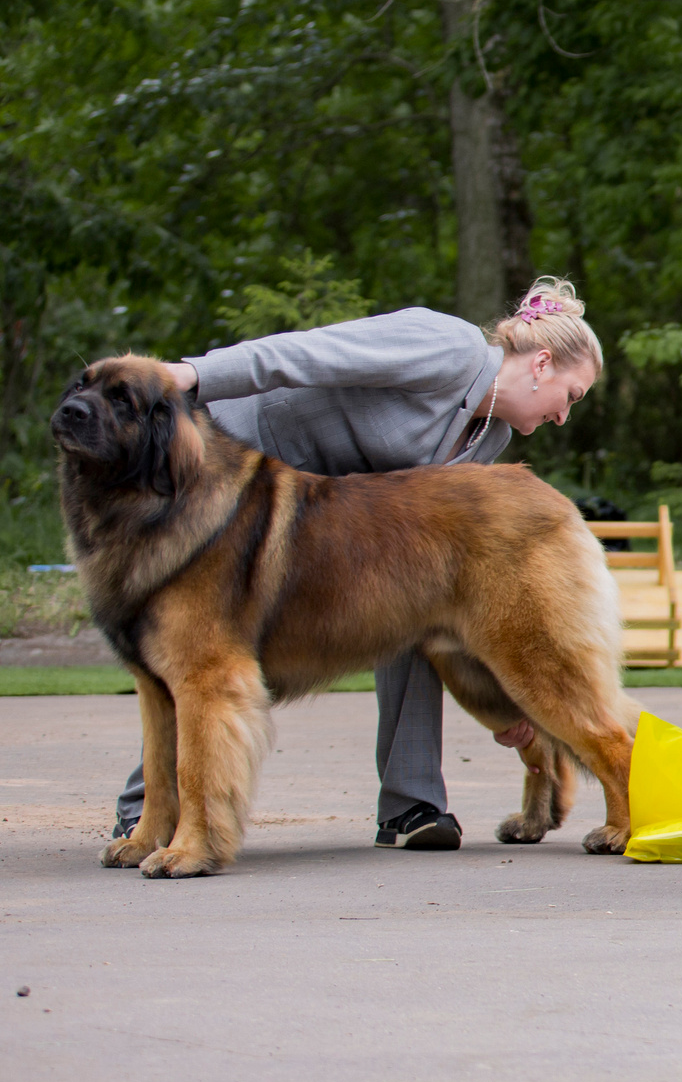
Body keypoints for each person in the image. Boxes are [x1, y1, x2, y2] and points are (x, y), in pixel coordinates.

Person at [114, 280, 604, 849]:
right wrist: (191, 376)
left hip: (333, 517)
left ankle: (411, 806)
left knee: (421, 598)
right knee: (198, 653)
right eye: (571, 396)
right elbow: (303, 353)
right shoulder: (446, 346)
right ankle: (147, 811)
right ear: (541, 364)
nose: (564, 416)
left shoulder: (489, 431)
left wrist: (506, 702)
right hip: (246, 464)